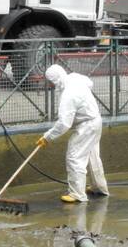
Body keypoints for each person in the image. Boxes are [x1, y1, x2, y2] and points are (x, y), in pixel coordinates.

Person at [36, 64, 109, 203]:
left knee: (75, 157)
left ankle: (77, 194)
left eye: (50, 82)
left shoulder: (68, 95)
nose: (50, 85)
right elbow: (90, 83)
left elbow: (64, 123)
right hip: (96, 121)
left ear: (55, 80)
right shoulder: (75, 78)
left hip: (85, 127)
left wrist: (47, 137)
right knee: (92, 156)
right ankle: (99, 188)